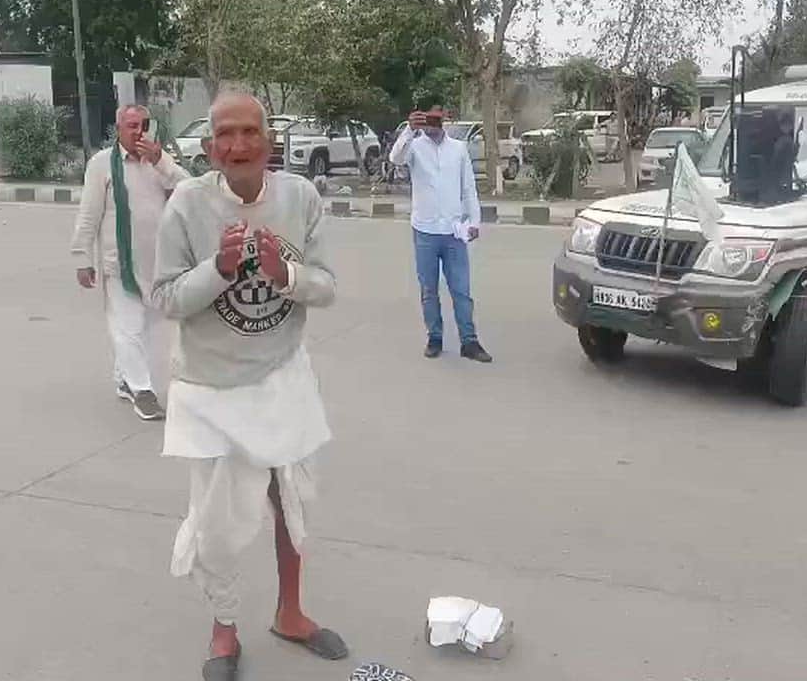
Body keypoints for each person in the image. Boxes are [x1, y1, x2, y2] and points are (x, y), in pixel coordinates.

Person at [151, 92, 346, 681]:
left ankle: (291, 612)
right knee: (219, 525)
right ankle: (224, 628)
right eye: (225, 135)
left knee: (291, 505)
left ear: (270, 141)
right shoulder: (187, 204)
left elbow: (327, 286)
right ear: (210, 147)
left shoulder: (300, 198)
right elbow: (164, 298)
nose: (238, 146)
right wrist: (220, 270)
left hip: (284, 375)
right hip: (211, 389)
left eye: (249, 133)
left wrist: (284, 274)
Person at [71, 104, 190, 421]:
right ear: (119, 128)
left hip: (158, 263)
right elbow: (89, 214)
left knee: (148, 329)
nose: (138, 132)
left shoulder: (158, 163)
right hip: (119, 263)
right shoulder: (101, 165)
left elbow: (191, 191)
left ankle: (125, 379)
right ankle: (143, 391)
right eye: (132, 126)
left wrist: (161, 160)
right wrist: (83, 257)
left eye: (143, 125)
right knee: (127, 328)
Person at [388, 105, 493, 362]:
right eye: (428, 118)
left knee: (461, 290)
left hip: (454, 231)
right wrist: (409, 130)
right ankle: (434, 337)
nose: (433, 123)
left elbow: (468, 187)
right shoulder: (414, 147)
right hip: (425, 230)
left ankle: (469, 341)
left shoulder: (458, 148)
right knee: (429, 290)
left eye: (437, 117)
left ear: (444, 118)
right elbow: (395, 159)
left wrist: (475, 221)